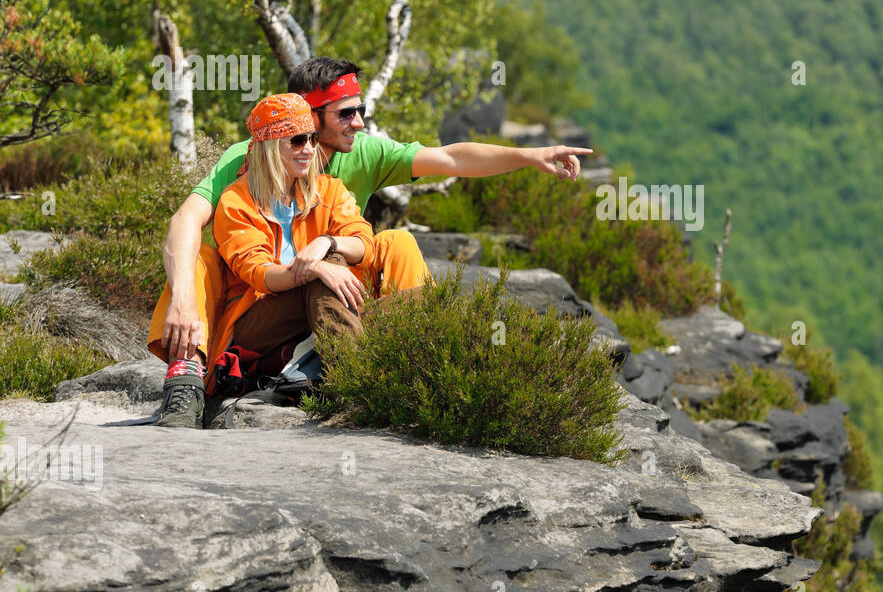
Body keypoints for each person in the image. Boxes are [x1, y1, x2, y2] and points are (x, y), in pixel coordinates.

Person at [148, 55, 593, 426]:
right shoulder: (245, 167)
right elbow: (187, 223)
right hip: (264, 298)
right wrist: (183, 299)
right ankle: (187, 377)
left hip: (333, 289)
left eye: (360, 111)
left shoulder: (354, 161)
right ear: (306, 113)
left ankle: (415, 356)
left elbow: (451, 157)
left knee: (396, 242)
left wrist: (530, 156)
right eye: (345, 113)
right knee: (198, 257)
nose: (358, 123)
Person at [157, 93, 375, 426]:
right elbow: (259, 273)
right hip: (255, 321)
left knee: (410, 301)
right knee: (327, 272)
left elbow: (364, 243)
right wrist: (315, 267)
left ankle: (407, 379)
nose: (309, 148)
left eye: (314, 139)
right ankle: (358, 390)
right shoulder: (237, 200)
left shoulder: (329, 190)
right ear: (271, 146)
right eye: (297, 140)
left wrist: (326, 242)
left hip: (315, 319)